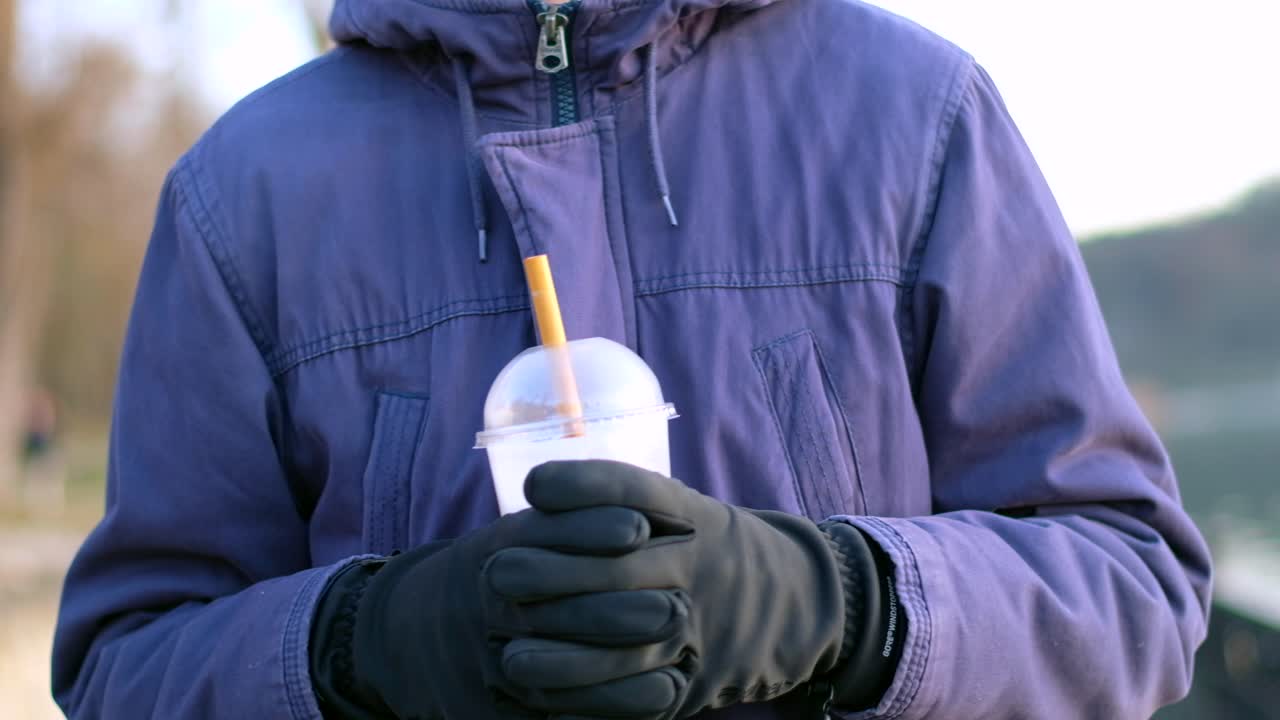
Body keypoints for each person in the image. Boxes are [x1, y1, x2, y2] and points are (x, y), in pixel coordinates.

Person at [51, 0, 1212, 718]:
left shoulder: (918, 114)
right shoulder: (242, 190)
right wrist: (369, 643)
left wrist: (838, 604)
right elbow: (127, 662)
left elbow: (1133, 586)